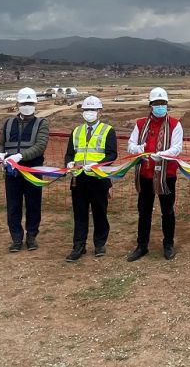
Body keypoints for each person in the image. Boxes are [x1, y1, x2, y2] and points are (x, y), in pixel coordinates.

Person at [126, 87, 184, 261]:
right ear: (150, 105)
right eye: (157, 103)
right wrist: (139, 148)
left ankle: (168, 244)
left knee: (167, 211)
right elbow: (130, 145)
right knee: (144, 211)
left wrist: (162, 154)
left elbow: (177, 148)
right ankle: (142, 246)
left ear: (167, 104)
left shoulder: (174, 124)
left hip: (166, 175)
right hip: (145, 175)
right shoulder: (140, 124)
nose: (160, 106)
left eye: (163, 103)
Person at [0, 87, 49, 252]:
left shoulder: (42, 123)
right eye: (24, 103)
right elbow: (0, 143)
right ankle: (16, 238)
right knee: (13, 206)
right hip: (12, 172)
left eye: (30, 103)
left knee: (33, 204)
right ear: (18, 103)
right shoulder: (8, 123)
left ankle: (31, 236)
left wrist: (20, 156)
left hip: (32, 170)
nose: (27, 106)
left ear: (35, 104)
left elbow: (40, 146)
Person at [64, 96, 118, 262]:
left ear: (100, 112)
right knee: (79, 214)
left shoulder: (108, 130)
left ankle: (100, 244)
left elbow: (112, 154)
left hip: (98, 178)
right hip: (79, 179)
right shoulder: (76, 131)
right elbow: (69, 154)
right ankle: (78, 246)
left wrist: (98, 164)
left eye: (92, 110)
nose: (89, 113)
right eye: (86, 110)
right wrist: (69, 163)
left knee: (99, 212)